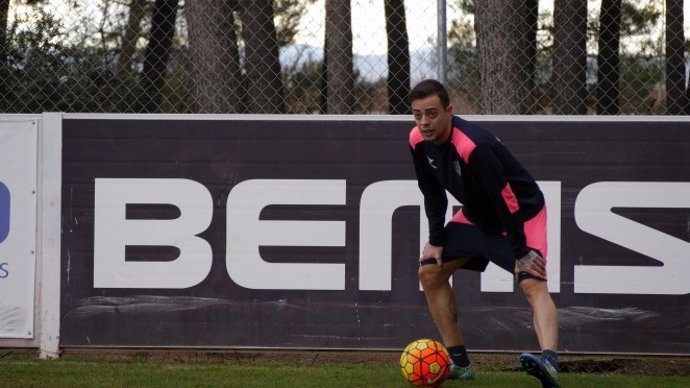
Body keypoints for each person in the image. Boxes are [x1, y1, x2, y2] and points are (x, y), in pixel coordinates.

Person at [407, 79, 560, 387]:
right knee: (430, 272)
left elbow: (507, 199)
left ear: (450, 110)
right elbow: (432, 193)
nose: (424, 122)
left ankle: (550, 363)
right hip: (477, 216)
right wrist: (436, 240)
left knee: (532, 284)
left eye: (432, 113)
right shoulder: (417, 141)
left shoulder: (473, 146)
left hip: (521, 214)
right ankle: (460, 364)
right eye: (417, 115)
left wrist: (520, 251)